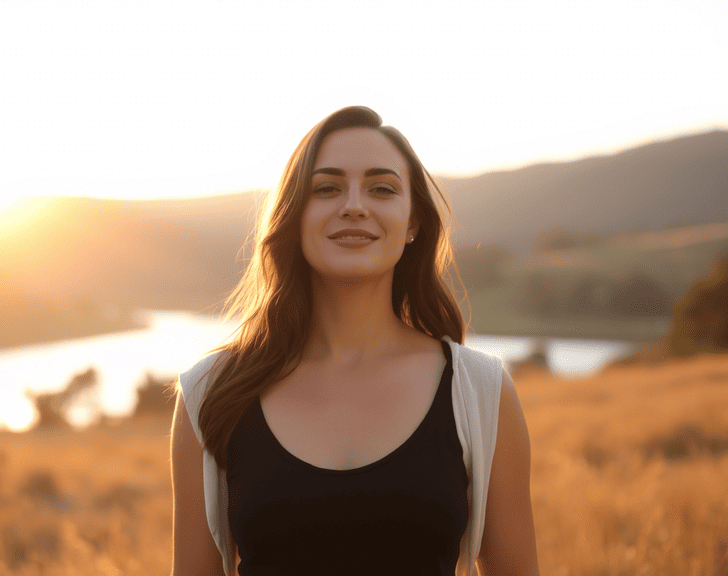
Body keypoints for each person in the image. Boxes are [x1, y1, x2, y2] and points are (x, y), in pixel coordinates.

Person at [170, 106, 539, 576]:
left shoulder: (480, 392)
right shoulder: (209, 395)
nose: (354, 205)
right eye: (326, 188)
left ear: (413, 224)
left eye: (382, 188)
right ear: (294, 217)